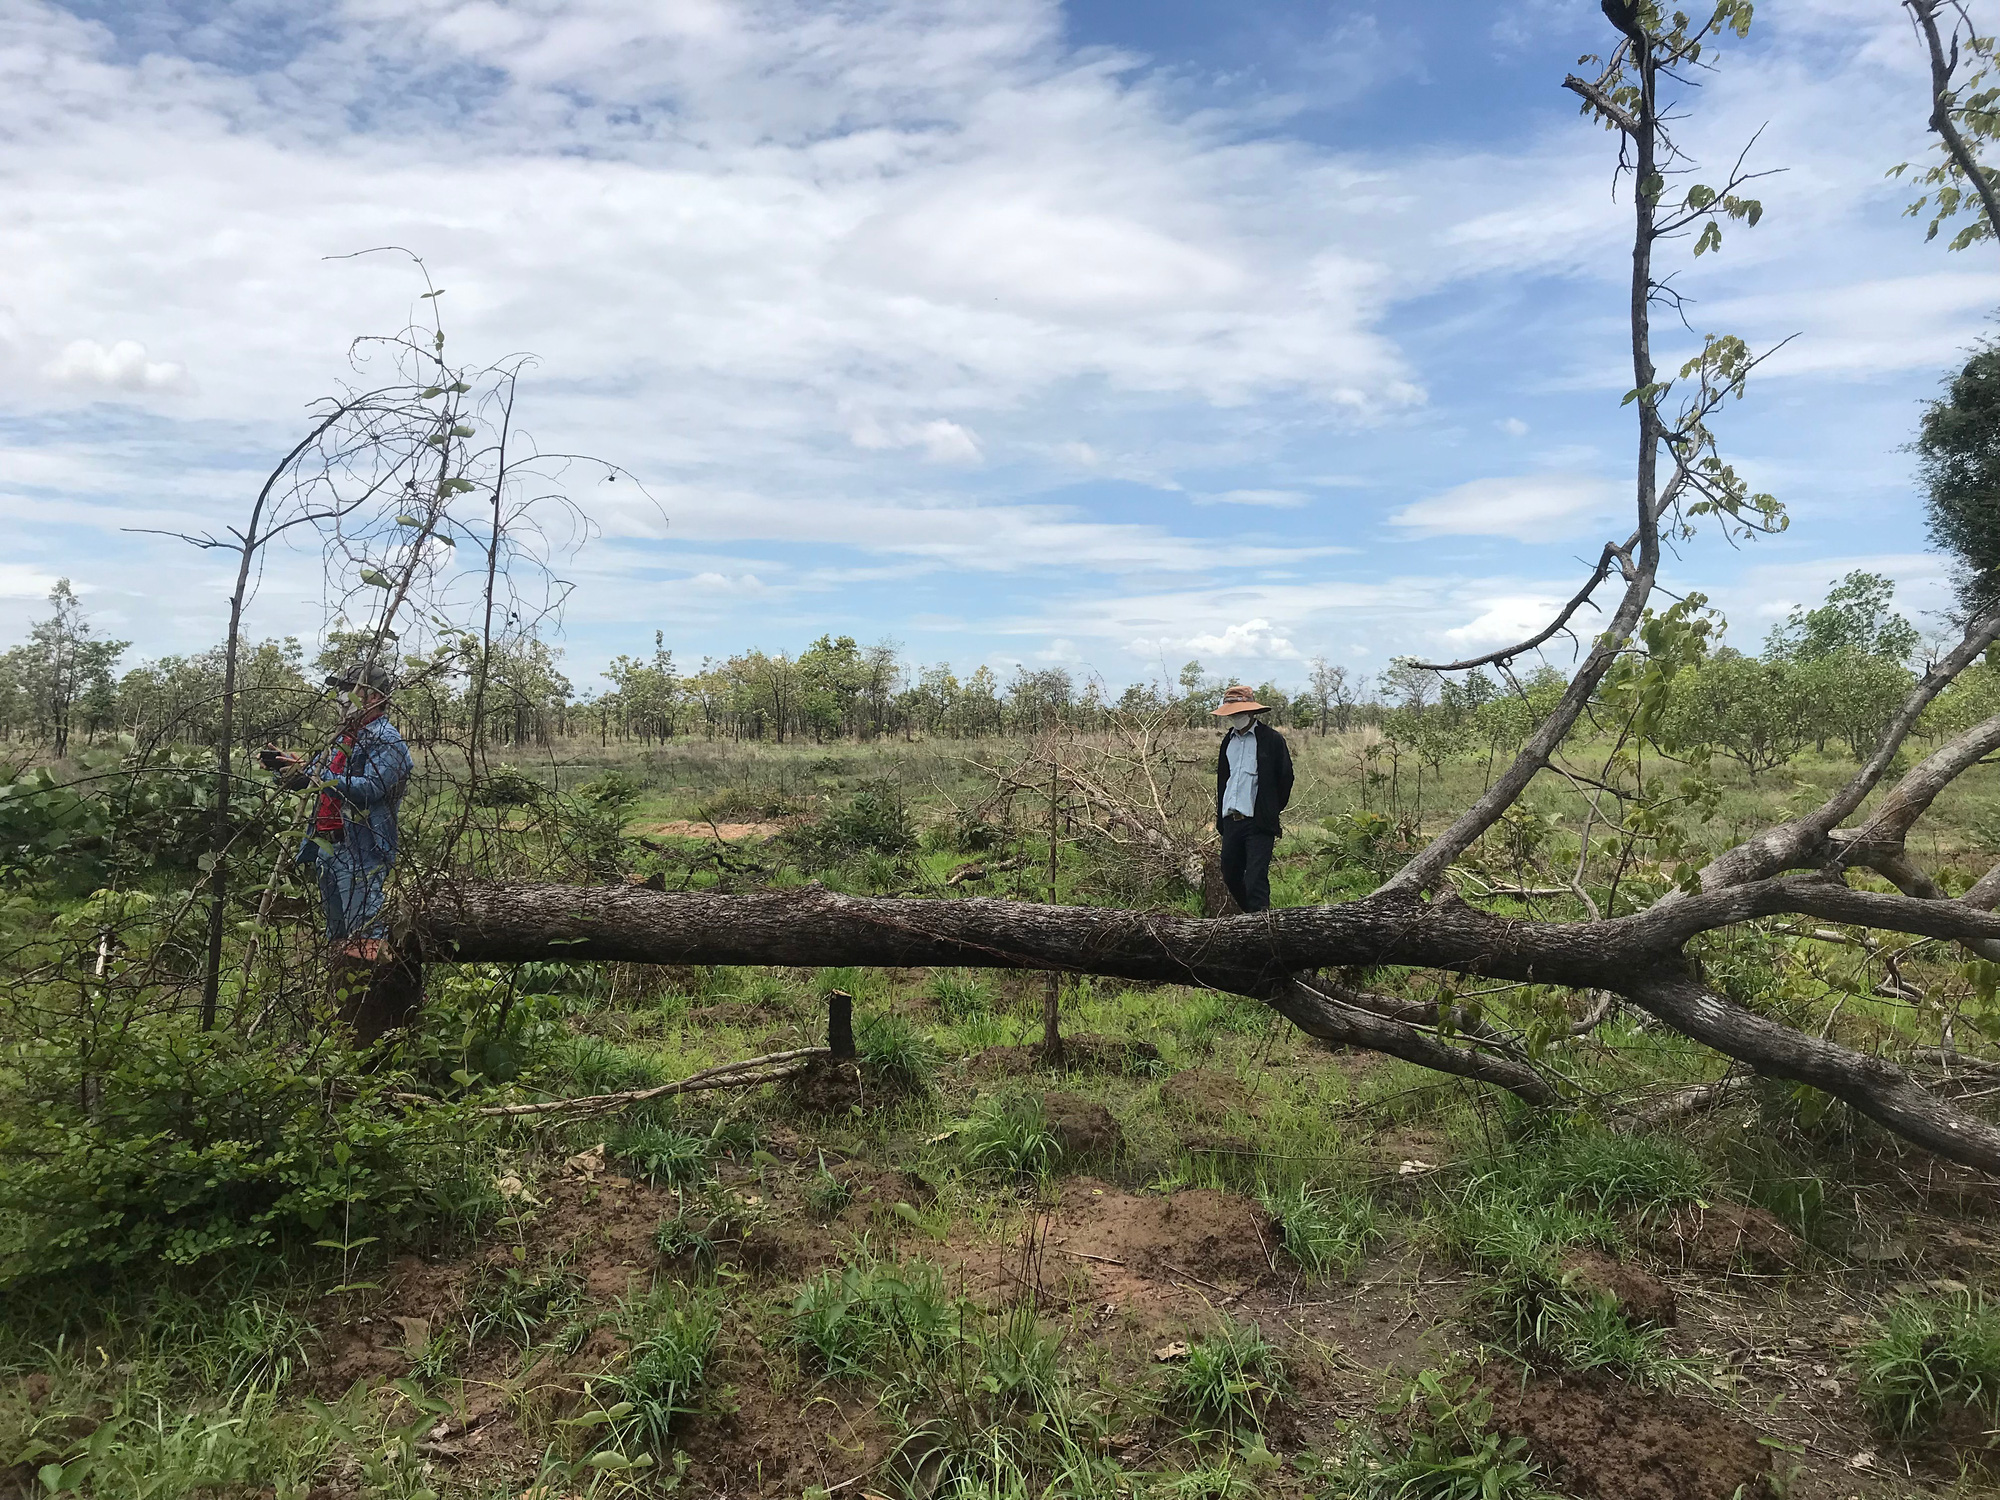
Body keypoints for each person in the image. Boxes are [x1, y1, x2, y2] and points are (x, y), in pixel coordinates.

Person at [262, 660, 412, 962]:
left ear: (373, 697)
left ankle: (374, 1001)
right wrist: (289, 768)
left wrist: (319, 777)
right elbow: (317, 779)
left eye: (348, 689)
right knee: (338, 938)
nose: (341, 697)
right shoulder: (342, 737)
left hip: (361, 849)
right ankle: (341, 1001)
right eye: (341, 690)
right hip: (327, 847)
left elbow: (370, 787)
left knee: (365, 936)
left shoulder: (388, 740)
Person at [1211, 684, 1294, 914]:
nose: (1235, 717)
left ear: (1250, 712)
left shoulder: (1271, 739)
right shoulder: (1228, 741)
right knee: (1229, 874)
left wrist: (1270, 810)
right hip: (1231, 821)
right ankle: (1251, 919)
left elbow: (1285, 777)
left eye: (1238, 712)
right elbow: (1224, 781)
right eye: (1231, 713)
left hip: (1258, 823)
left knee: (1255, 880)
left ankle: (1262, 928)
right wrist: (1221, 817)